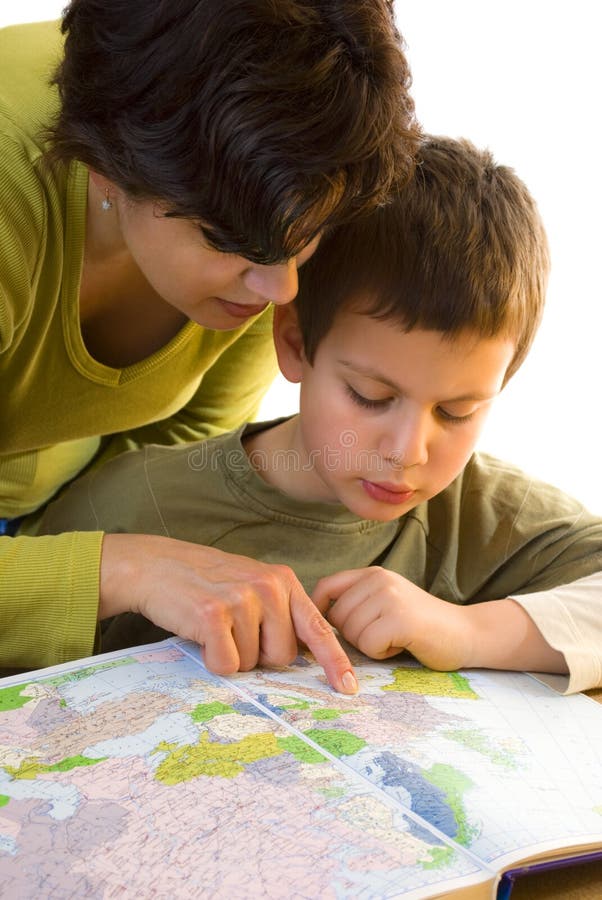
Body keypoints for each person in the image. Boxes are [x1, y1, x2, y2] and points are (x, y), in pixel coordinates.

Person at [36, 136, 602, 694]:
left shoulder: (489, 513)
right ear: (295, 344)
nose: (407, 451)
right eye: (370, 396)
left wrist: (470, 630)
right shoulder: (134, 504)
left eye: (456, 411)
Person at [0, 0, 421, 692]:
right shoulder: (31, 186)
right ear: (109, 170)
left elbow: (177, 451)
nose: (283, 286)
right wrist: (127, 568)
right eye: (232, 244)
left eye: (304, 239)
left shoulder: (276, 185)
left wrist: (97, 541)